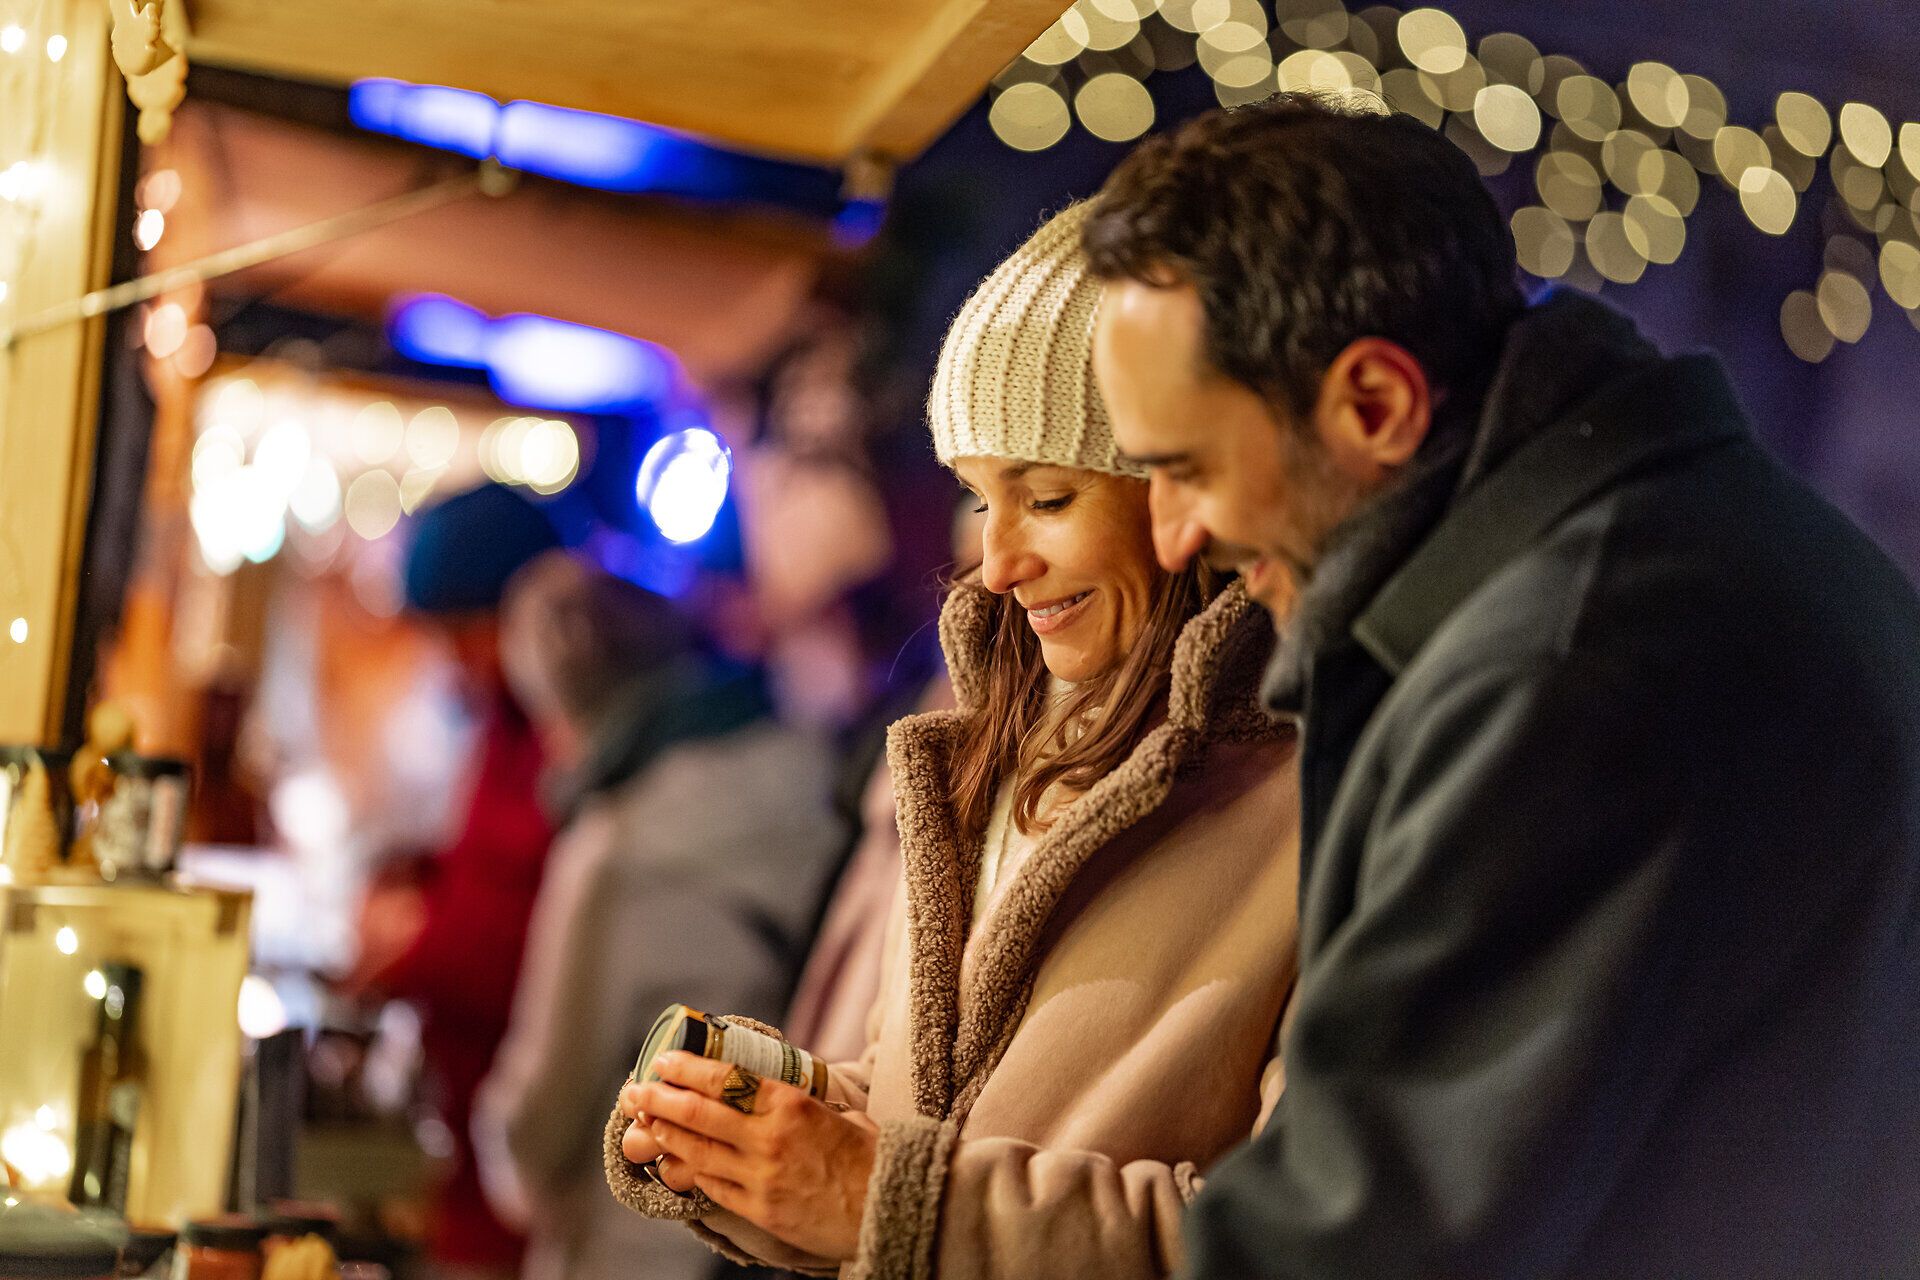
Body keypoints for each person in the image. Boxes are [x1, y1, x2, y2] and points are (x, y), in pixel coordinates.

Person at [1083, 93, 1920, 1278]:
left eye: (1187, 467)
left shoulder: (1565, 672)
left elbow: (1355, 1245)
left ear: (1373, 404)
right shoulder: (1714, 542)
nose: (1171, 536)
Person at [605, 201, 1302, 1280]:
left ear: (1181, 492)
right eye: (980, 497)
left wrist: (871, 1193)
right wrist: (767, 1130)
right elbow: (916, 1108)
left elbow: (1308, 1230)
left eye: (1051, 496)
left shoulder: (1326, 795)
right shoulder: (996, 749)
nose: (997, 558)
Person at [471, 551, 845, 1280]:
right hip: (784, 1233)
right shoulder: (817, 778)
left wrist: (499, 1158)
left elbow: (543, 1111)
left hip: (637, 1243)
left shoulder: (615, 852)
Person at [341, 482, 562, 1280]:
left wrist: (411, 952)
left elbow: (540, 935)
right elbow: (488, 867)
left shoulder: (561, 738)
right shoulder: (504, 727)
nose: (452, 661)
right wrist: (418, 870)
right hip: (471, 1158)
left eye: (461, 634)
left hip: (527, 1187)